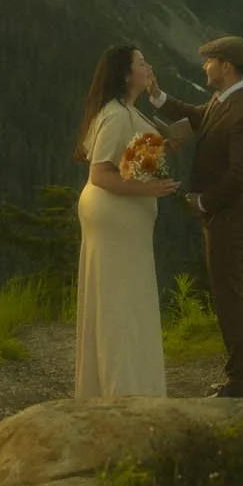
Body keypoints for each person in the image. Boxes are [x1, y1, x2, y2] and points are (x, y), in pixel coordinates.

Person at [146, 35, 243, 399]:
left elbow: (240, 175)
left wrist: (204, 203)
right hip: (223, 217)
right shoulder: (227, 98)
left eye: (210, 61)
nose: (204, 66)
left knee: (230, 298)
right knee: (228, 294)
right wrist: (159, 97)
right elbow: (200, 117)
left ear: (226, 67)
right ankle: (241, 376)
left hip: (229, 219)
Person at [73, 43, 179, 400]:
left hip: (121, 221)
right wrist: (150, 189)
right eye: (141, 63)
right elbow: (101, 173)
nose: (148, 67)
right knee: (121, 303)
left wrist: (160, 146)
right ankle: (123, 390)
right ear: (125, 74)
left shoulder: (124, 110)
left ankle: (115, 385)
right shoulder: (117, 115)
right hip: (114, 219)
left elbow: (129, 161)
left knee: (122, 300)